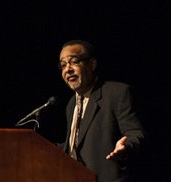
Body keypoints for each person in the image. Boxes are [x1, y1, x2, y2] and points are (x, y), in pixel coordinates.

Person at [58, 40, 145, 182]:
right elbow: (75, 146)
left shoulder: (117, 93)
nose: (68, 69)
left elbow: (136, 133)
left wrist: (126, 147)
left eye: (74, 62)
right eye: (63, 65)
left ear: (92, 64)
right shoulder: (71, 104)